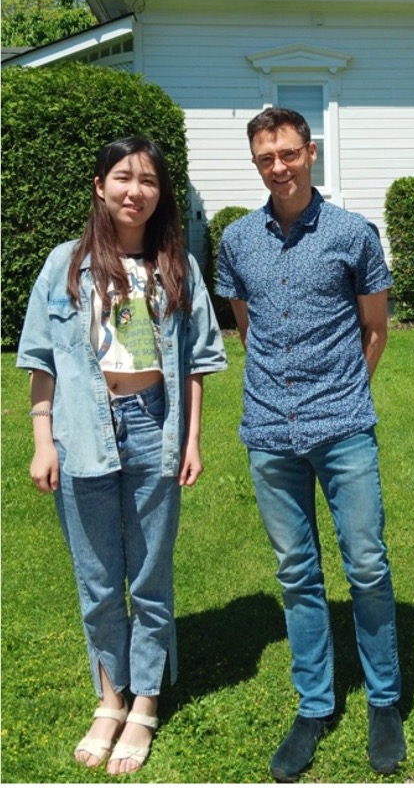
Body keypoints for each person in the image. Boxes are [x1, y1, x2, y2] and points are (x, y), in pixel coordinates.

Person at [16, 137, 227, 776]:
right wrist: (42, 438)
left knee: (150, 580)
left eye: (149, 181)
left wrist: (190, 439)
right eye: (122, 178)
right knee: (99, 582)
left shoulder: (178, 265)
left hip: (154, 429)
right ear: (100, 187)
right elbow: (39, 356)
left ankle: (147, 703)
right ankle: (110, 700)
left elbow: (196, 362)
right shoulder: (64, 264)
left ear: (161, 194)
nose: (135, 191)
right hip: (83, 431)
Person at [217, 108, 404, 782]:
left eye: (289, 153)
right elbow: (248, 330)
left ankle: (384, 699)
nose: (279, 167)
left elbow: (375, 329)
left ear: (311, 152)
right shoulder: (236, 239)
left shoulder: (354, 233)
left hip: (343, 426)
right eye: (266, 158)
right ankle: (315, 704)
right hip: (268, 431)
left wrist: (343, 395)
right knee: (296, 573)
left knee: (367, 564)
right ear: (256, 162)